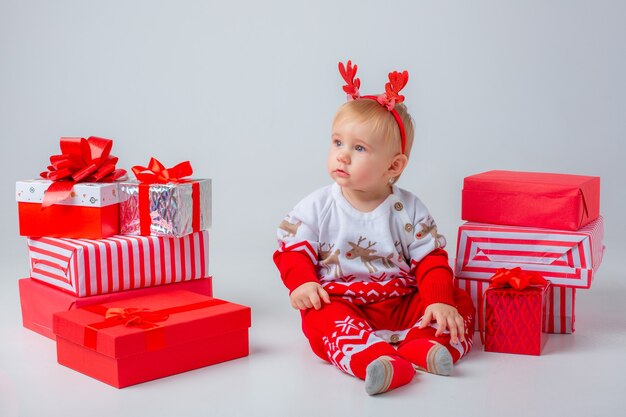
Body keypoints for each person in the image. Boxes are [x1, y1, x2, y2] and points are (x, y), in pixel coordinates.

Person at [273, 61, 475, 395]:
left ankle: (425, 345)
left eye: (359, 148)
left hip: (402, 302)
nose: (343, 156)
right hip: (343, 303)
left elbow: (431, 260)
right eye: (337, 143)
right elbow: (292, 250)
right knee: (318, 315)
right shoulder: (318, 206)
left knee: (457, 301)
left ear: (393, 165)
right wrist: (302, 282)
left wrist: (440, 300)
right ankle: (373, 360)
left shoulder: (408, 209)